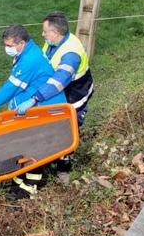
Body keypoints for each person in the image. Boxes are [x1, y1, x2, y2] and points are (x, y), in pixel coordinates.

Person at [0, 24, 66, 197]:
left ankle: (30, 186)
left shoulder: (29, 60)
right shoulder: (26, 52)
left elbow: (10, 88)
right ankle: (20, 179)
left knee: (34, 146)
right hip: (38, 107)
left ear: (22, 43)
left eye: (10, 46)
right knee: (24, 142)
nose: (7, 49)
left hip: (45, 110)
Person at [16, 11, 95, 182]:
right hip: (60, 92)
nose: (42, 34)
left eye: (45, 31)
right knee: (54, 126)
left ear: (56, 33)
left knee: (68, 129)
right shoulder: (53, 43)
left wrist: (35, 98)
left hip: (75, 95)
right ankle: (53, 158)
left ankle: (63, 170)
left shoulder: (71, 54)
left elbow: (58, 81)